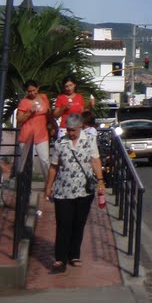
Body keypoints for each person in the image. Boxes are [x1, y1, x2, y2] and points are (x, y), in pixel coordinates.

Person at [44, 114, 104, 275]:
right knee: (64, 223)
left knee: (79, 223)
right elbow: (54, 167)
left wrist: (100, 181)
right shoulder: (60, 143)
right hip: (63, 191)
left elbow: (95, 160)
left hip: (84, 190)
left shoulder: (89, 140)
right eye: (69, 130)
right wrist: (48, 187)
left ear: (80, 127)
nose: (71, 133)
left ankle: (74, 255)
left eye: (73, 130)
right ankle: (60, 259)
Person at [15, 80, 51, 180]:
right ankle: (26, 186)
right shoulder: (24, 101)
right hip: (27, 136)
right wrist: (28, 113)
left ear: (37, 88)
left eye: (33, 90)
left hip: (42, 135)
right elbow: (19, 119)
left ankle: (48, 184)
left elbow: (48, 113)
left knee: (45, 161)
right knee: (27, 162)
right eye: (29, 91)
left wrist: (52, 125)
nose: (31, 93)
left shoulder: (43, 97)